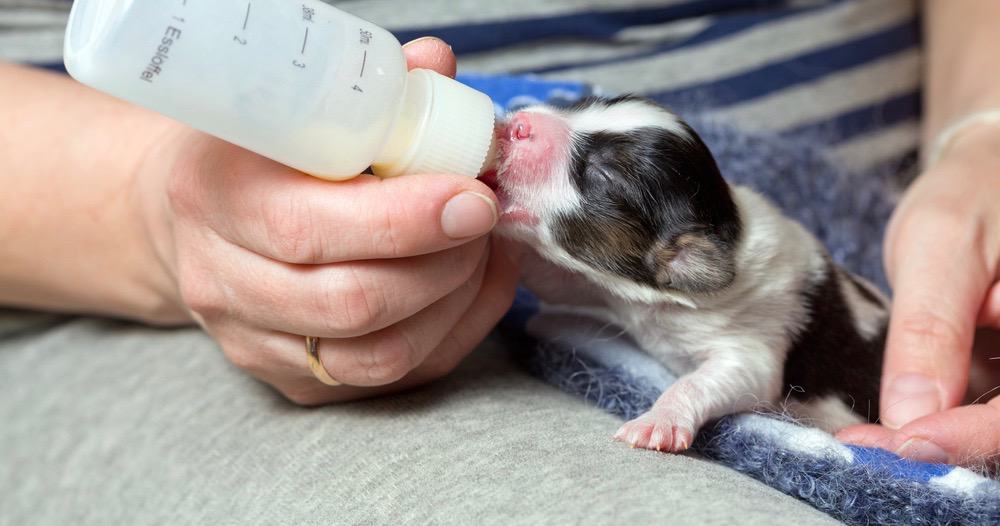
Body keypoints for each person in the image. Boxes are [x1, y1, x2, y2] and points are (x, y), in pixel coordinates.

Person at [0, 0, 996, 523]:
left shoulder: (732, 294)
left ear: (679, 262)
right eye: (578, 122)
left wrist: (985, 128)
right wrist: (148, 208)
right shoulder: (641, 238)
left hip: (902, 208)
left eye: (590, 160)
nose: (527, 132)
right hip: (97, 264)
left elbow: (741, 364)